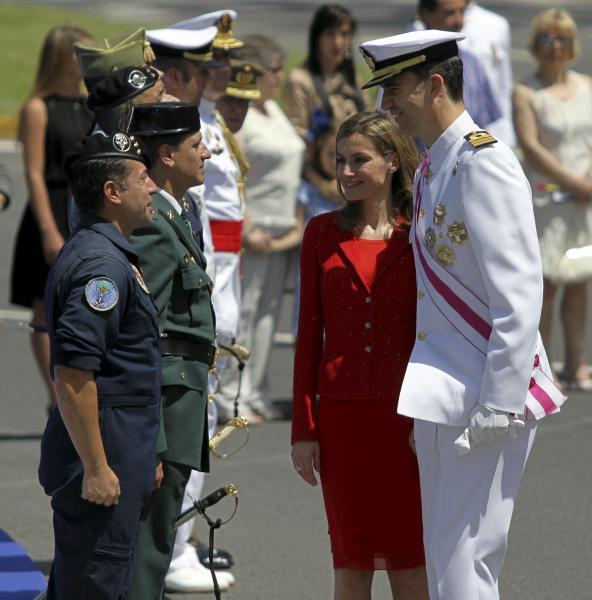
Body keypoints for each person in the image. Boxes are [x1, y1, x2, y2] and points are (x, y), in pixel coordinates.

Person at [361, 29, 566, 599]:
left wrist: (499, 404)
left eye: (394, 90)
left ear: (433, 84)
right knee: (448, 557)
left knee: (465, 561)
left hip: (485, 393)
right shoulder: (433, 165)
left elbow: (519, 294)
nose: (385, 106)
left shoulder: (482, 162)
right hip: (445, 391)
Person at [291, 111, 427, 600]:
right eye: (340, 160)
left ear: (392, 161)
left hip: (408, 421)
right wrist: (304, 429)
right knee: (351, 567)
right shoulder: (321, 232)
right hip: (343, 424)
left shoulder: (421, 233)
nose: (346, 171)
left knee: (412, 564)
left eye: (359, 160)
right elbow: (309, 335)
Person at [39, 130, 161, 599]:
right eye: (142, 178)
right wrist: (96, 466)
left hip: (118, 445)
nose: (152, 188)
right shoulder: (101, 269)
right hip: (102, 450)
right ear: (113, 193)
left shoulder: (109, 255)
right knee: (95, 581)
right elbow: (73, 374)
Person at [145, 16, 238, 591]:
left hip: (216, 290)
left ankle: (175, 545)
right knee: (182, 434)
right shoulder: (169, 133)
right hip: (190, 313)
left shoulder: (203, 126)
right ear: (180, 71)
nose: (218, 75)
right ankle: (172, 549)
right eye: (208, 68)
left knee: (198, 432)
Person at [124, 102, 231, 598]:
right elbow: (143, 338)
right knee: (145, 553)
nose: (206, 152)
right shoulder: (153, 226)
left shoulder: (176, 214)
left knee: (155, 541)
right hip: (165, 410)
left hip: (179, 405)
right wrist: (154, 441)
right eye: (195, 146)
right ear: (166, 155)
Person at [219, 39, 306, 418]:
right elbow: (231, 175)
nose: (280, 76)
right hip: (251, 229)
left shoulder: (273, 110)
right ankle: (228, 396)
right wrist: (247, 227)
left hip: (282, 228)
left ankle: (253, 391)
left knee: (267, 316)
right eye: (274, 69)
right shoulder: (242, 117)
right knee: (242, 314)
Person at [10, 25, 93, 413]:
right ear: (62, 57)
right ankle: (55, 396)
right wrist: (48, 228)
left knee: (83, 304)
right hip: (52, 208)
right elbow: (34, 173)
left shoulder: (93, 103)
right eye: (81, 54)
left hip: (86, 207)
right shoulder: (38, 107)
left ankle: (81, 391)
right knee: (45, 307)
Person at [513, 8, 592, 391]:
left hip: (582, 205)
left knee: (578, 282)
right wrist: (574, 182)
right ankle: (540, 369)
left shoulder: (587, 85)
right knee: (546, 286)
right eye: (547, 38)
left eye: (561, 39)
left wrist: (587, 184)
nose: (555, 46)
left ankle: (577, 363)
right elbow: (529, 147)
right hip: (546, 203)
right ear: (537, 44)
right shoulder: (526, 91)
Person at [283, 4, 365, 202]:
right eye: (330, 34)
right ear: (317, 37)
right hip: (316, 189)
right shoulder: (300, 81)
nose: (337, 42)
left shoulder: (355, 82)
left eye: (344, 34)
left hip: (353, 183)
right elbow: (298, 146)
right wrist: (324, 187)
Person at [406, 0, 502, 133]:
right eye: (449, 13)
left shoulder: (472, 63)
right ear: (425, 14)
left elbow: (484, 124)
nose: (458, 21)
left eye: (462, 12)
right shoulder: (405, 67)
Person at [462, 1, 515, 146]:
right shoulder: (419, 27)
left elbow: (504, 84)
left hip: (489, 121)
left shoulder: (496, 24)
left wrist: (505, 132)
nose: (457, 19)